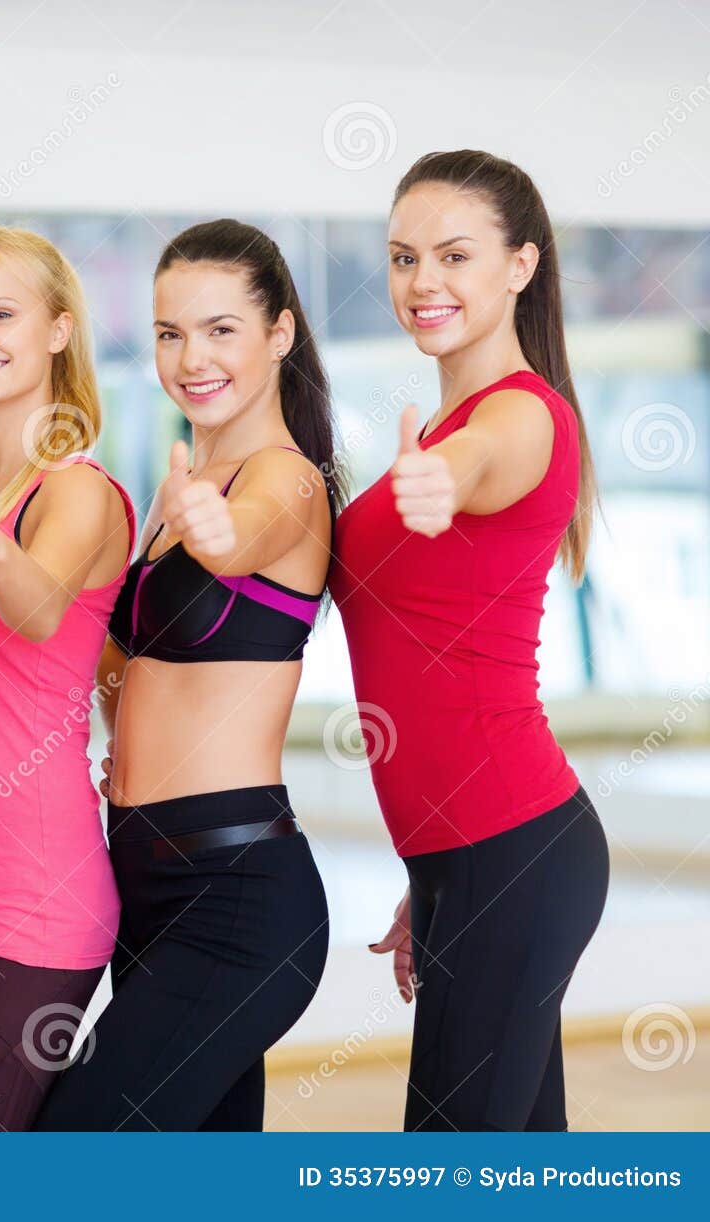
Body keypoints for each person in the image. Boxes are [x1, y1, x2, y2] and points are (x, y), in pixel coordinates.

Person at [34, 220, 339, 1132]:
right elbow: (132, 665)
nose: (189, 357)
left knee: (77, 1146)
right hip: (147, 878)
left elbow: (243, 539)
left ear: (279, 333)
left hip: (238, 892)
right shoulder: (183, 496)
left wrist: (212, 533)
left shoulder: (284, 484)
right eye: (169, 334)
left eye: (219, 330)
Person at [336, 150, 609, 1132]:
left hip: (512, 853)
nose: (423, 283)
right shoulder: (459, 416)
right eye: (404, 258)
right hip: (474, 860)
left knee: (446, 1168)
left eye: (454, 255)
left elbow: (474, 462)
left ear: (520, 266)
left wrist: (436, 481)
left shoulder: (515, 420)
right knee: (519, 1167)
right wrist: (432, 878)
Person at [0, 224, 134, 1131]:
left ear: (57, 330)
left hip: (39, 903)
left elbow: (38, 609)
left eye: (0, 314)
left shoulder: (73, 488)